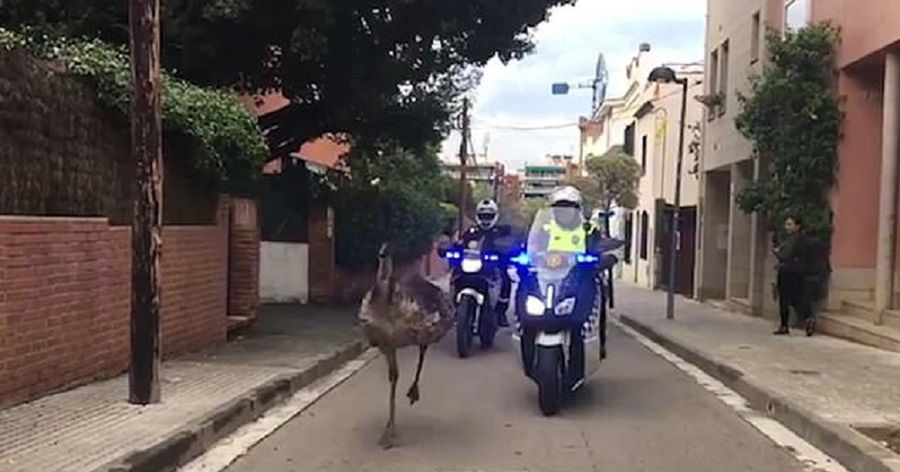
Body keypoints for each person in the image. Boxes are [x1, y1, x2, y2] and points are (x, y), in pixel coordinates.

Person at [461, 199, 512, 327]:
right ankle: (456, 306)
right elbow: (461, 244)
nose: (485, 219)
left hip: (492, 267)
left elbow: (511, 243)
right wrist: (450, 250)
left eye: (489, 216)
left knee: (505, 279)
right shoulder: (471, 232)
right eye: (483, 216)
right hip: (472, 265)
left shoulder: (502, 231)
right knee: (457, 274)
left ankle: (501, 313)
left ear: (495, 216)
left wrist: (508, 251)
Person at [774, 215, 814, 336]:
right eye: (786, 224)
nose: (787, 227)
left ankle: (784, 325)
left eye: (790, 224)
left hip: (787, 272)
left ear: (797, 226)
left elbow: (785, 255)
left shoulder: (793, 240)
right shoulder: (802, 239)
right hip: (798, 272)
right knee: (796, 299)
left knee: (785, 300)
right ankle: (808, 318)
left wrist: (777, 252)